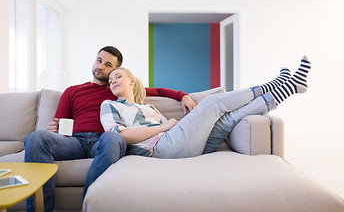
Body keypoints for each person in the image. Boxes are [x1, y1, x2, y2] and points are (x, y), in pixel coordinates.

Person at [24, 46, 196, 212]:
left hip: (104, 140)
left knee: (113, 137)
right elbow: (59, 123)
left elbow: (158, 90)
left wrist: (183, 96)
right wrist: (55, 127)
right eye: (99, 60)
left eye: (108, 65)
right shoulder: (72, 91)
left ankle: (89, 206)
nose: (101, 66)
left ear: (115, 70)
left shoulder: (117, 88)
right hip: (74, 141)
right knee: (36, 137)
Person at [100, 56, 311, 159]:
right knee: (211, 103)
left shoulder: (149, 108)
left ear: (132, 82)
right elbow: (122, 136)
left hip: (180, 143)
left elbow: (174, 126)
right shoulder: (109, 105)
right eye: (110, 81)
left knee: (227, 121)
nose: (113, 81)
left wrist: (175, 121)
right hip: (160, 150)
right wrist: (164, 127)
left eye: (118, 76)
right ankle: (274, 84)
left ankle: (289, 87)